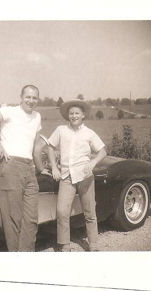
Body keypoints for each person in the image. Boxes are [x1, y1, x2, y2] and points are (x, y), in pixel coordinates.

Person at [0, 85, 48, 252]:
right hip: (10, 167)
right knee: (13, 219)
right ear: (21, 97)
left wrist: (40, 167)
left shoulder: (37, 116)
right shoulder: (9, 111)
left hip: (29, 169)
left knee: (31, 219)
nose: (31, 101)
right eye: (28, 97)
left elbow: (34, 146)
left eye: (34, 98)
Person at [46, 100, 107, 252]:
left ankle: (93, 244)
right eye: (71, 113)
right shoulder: (61, 130)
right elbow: (50, 147)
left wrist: (92, 164)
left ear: (83, 115)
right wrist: (54, 167)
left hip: (85, 176)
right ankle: (64, 244)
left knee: (89, 211)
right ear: (68, 115)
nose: (74, 116)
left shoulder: (89, 133)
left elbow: (103, 151)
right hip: (66, 176)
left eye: (77, 113)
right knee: (62, 211)